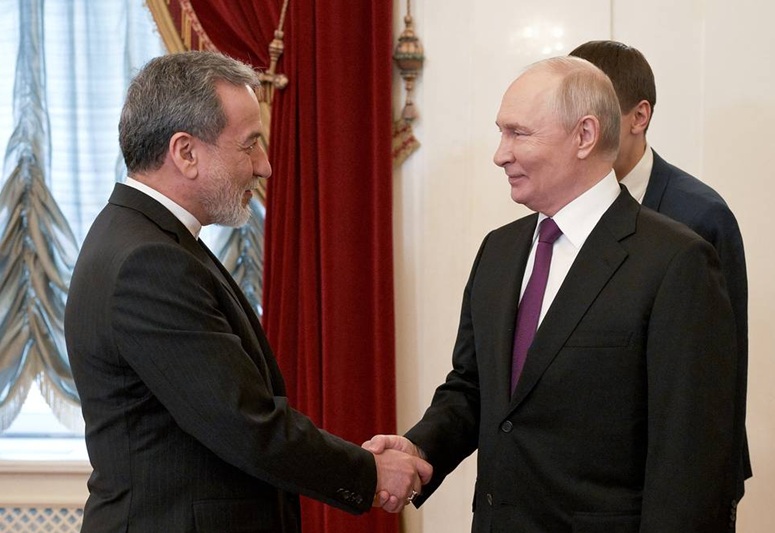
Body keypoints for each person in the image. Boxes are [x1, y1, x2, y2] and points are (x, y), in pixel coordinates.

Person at [364, 57, 739, 532]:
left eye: (518, 133)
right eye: (501, 133)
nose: (500, 154)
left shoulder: (676, 261)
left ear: (584, 135)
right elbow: (474, 387)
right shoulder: (498, 251)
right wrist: (420, 447)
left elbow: (689, 461)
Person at [64, 50, 431, 532]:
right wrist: (371, 473)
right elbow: (242, 423)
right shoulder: (149, 261)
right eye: (250, 145)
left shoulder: (147, 238)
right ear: (186, 152)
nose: (265, 166)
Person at [569, 40, 751, 510]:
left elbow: (721, 374)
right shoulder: (562, 207)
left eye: (595, 118)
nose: (581, 135)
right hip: (584, 479)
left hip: (676, 475)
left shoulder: (700, 215)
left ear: (639, 116)